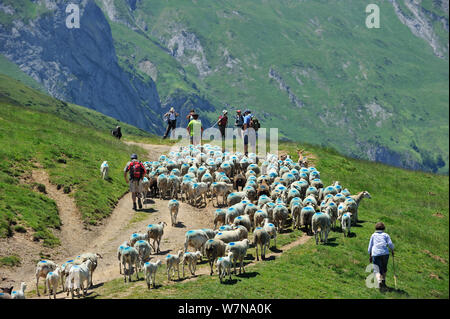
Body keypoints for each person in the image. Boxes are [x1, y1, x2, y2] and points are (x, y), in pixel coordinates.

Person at [368, 222, 395, 292]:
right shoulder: (386, 235)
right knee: (384, 268)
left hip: (376, 253)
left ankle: (379, 282)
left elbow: (370, 246)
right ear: (383, 228)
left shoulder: (373, 235)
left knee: (376, 269)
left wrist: (370, 254)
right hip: (385, 253)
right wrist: (392, 250)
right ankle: (383, 281)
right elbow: (390, 243)